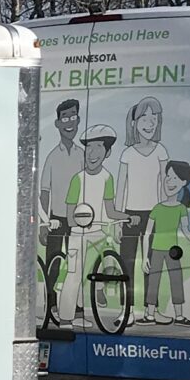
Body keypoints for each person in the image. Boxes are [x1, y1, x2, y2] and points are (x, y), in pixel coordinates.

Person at [62, 124, 119, 323]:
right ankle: (66, 320)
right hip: (78, 234)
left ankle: (102, 287)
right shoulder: (77, 179)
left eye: (98, 147)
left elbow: (110, 210)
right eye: (89, 148)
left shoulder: (107, 178)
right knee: (74, 275)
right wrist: (83, 220)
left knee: (109, 248)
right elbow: (70, 216)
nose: (92, 153)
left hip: (98, 233)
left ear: (107, 152)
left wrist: (126, 217)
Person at [114, 96, 169, 301]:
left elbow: (164, 185)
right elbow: (121, 189)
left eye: (154, 119)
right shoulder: (127, 153)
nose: (150, 124)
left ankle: (150, 309)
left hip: (154, 215)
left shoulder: (160, 151)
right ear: (134, 123)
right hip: (130, 215)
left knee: (152, 264)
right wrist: (119, 220)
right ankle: (125, 307)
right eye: (144, 119)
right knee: (126, 262)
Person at [36, 96, 83, 309]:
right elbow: (44, 192)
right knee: (53, 262)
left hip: (80, 218)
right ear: (57, 123)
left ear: (79, 120)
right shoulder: (52, 157)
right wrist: (44, 223)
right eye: (65, 118)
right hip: (56, 218)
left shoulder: (82, 155)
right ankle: (50, 300)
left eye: (73, 116)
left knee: (76, 262)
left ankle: (74, 301)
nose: (69, 122)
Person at [145, 157, 190, 326]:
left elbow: (186, 231)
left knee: (176, 280)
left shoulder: (181, 208)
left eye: (175, 178)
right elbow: (147, 234)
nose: (169, 181)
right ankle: (150, 314)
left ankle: (179, 316)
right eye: (168, 176)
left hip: (173, 251)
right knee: (154, 282)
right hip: (156, 250)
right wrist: (145, 256)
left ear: (183, 183)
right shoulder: (157, 208)